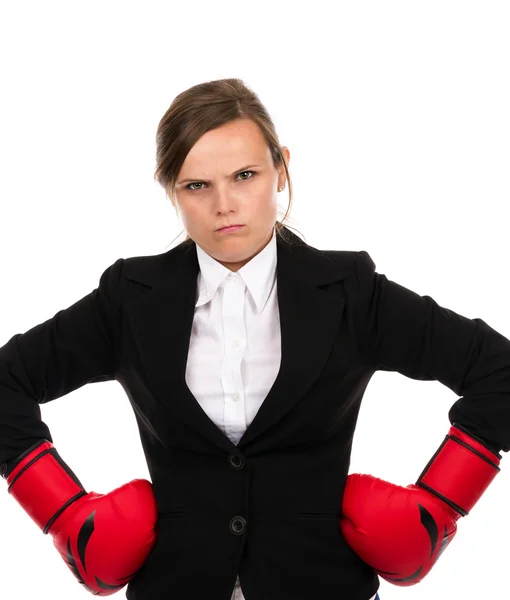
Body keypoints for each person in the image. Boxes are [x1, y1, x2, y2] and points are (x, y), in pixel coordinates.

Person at [0, 78, 509, 600]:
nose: (225, 205)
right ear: (170, 188)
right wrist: (63, 514)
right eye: (196, 185)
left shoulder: (348, 292)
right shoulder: (131, 299)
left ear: (281, 169)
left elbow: (499, 372)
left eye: (244, 175)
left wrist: (439, 505)